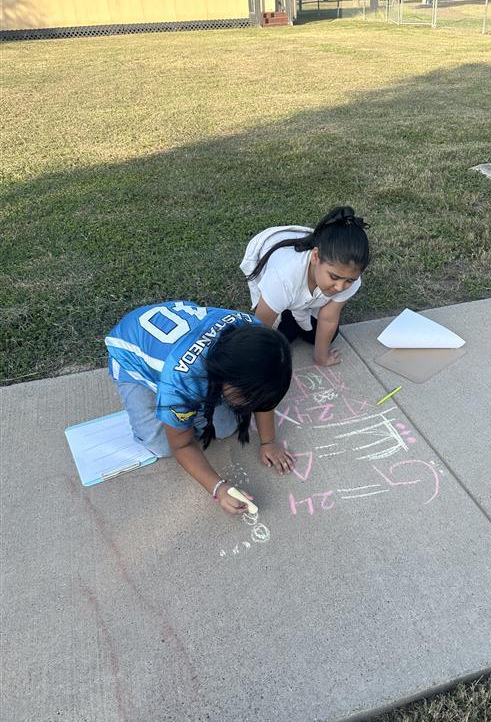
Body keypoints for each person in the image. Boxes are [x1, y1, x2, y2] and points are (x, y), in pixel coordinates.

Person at [105, 301, 295, 515]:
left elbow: (263, 394)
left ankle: (179, 410)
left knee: (225, 427)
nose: (253, 405)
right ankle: (160, 402)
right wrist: (219, 488)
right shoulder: (182, 380)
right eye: (248, 397)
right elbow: (182, 445)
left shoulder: (257, 333)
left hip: (181, 354)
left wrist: (268, 441)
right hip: (131, 358)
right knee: (162, 446)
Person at [240, 206, 369, 366]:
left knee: (320, 335)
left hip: (301, 278)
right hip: (272, 247)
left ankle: (297, 309)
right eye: (334, 277)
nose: (340, 287)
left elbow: (328, 319)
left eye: (349, 280)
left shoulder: (351, 278)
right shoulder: (282, 277)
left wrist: (321, 357)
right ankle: (290, 310)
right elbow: (260, 326)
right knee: (279, 339)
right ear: (315, 256)